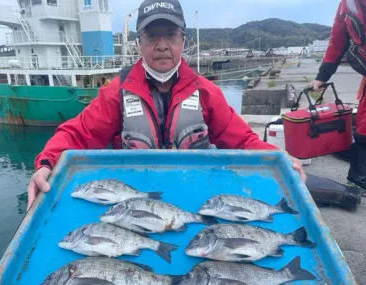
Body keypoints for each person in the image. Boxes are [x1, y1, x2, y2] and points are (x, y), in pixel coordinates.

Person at [27, 0, 306, 209]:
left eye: (170, 34)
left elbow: (244, 141)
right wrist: (46, 162)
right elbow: (77, 133)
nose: (161, 45)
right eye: (152, 36)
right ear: (139, 43)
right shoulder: (116, 93)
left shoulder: (206, 93)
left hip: (194, 199)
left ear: (183, 40)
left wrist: (281, 160)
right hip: (131, 207)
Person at [311, 0, 366, 190]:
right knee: (363, 130)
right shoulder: (347, 4)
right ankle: (359, 179)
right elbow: (337, 41)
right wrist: (322, 77)